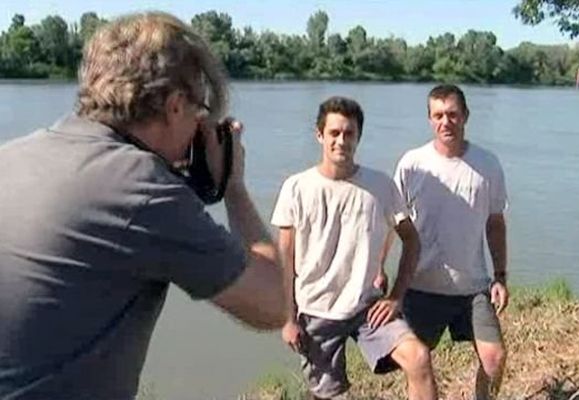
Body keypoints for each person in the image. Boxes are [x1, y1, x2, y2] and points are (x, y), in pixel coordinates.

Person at [0, 12, 285, 400]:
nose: (201, 129)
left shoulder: (14, 156)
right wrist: (234, 186)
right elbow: (273, 304)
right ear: (175, 106)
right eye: (201, 111)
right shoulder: (143, 188)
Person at [271, 96, 438, 400]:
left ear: (358, 137)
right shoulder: (296, 188)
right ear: (319, 135)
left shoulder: (382, 186)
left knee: (419, 359)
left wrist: (396, 296)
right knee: (329, 395)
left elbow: (411, 240)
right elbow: (286, 258)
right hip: (315, 311)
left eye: (349, 133)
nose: (341, 141)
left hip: (367, 308)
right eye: (334, 133)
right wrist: (288, 318)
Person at [393, 84, 509, 400]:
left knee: (495, 359)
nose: (446, 122)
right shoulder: (411, 164)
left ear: (466, 116)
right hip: (420, 287)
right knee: (417, 365)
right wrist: (383, 278)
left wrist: (500, 276)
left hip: (472, 289)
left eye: (453, 114)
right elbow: (392, 224)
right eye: (438, 115)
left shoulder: (488, 165)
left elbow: (495, 222)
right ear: (430, 119)